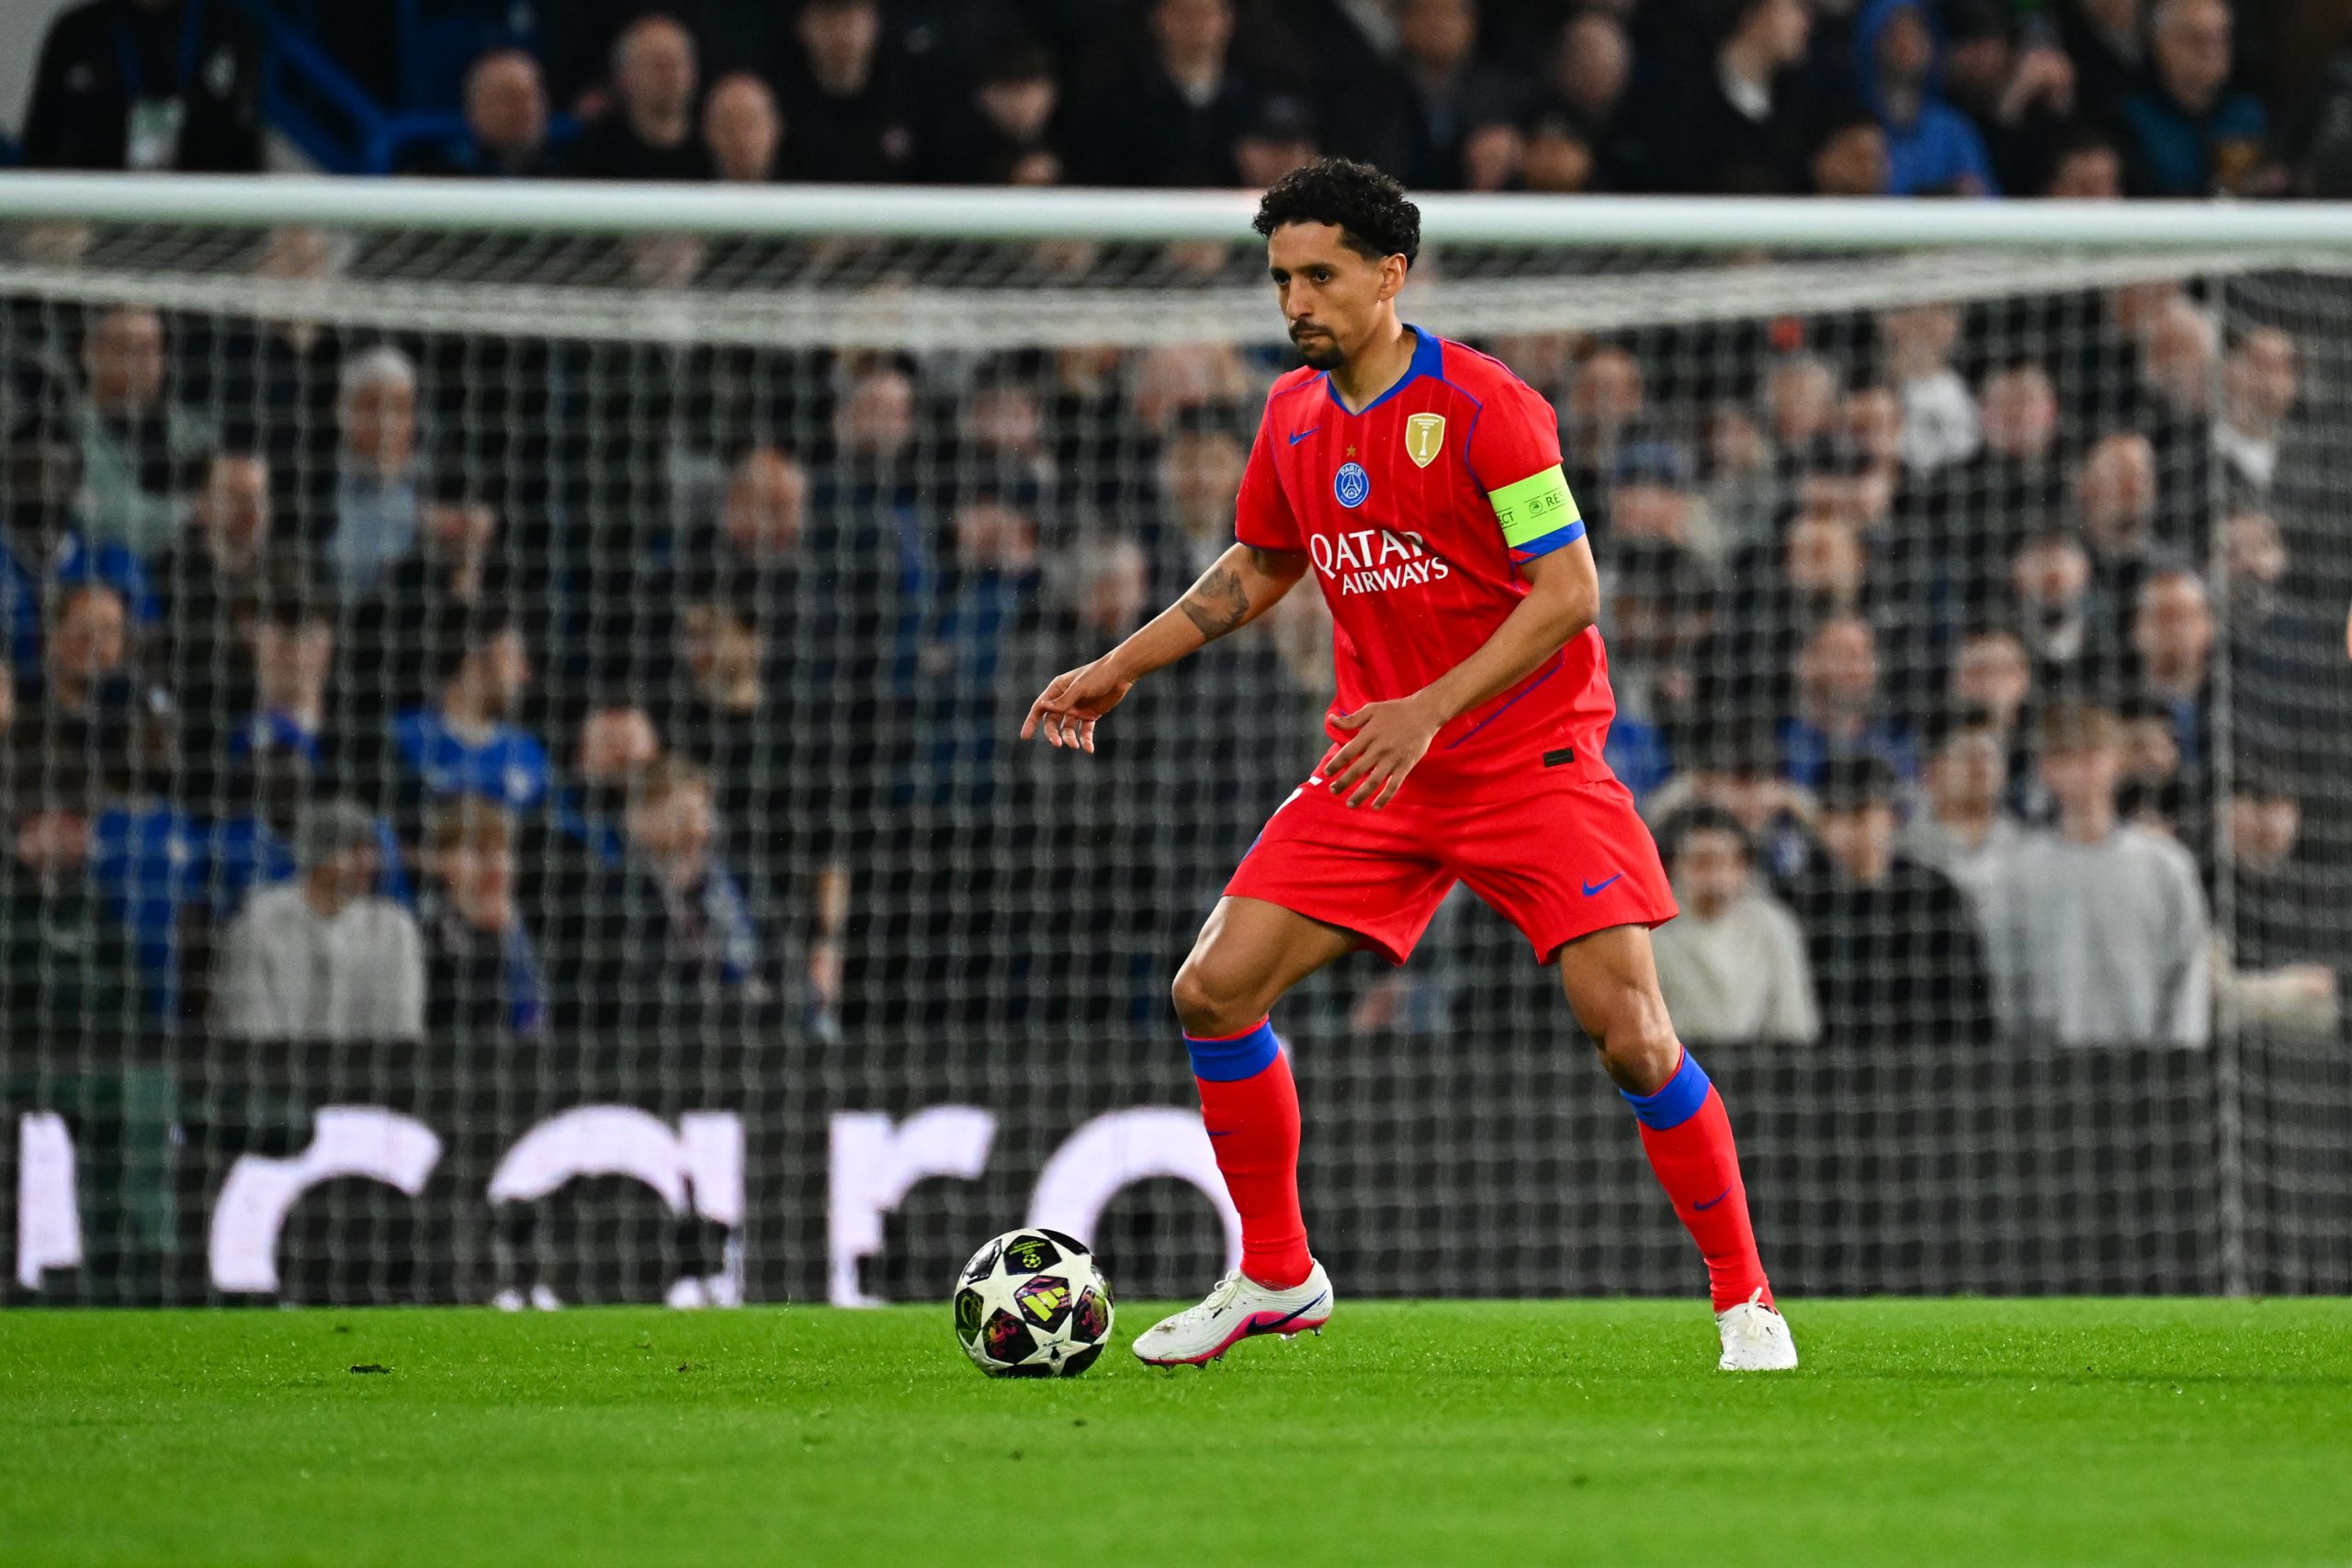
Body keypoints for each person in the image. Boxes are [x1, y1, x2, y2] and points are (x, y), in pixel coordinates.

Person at [1022, 159, 1796, 1371]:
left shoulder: (1487, 404)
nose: (1296, 302)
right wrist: (1122, 662)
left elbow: (1569, 591)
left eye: (1320, 276)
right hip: (1380, 768)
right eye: (1282, 279)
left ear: (1391, 275)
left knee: (1632, 1034)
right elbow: (1261, 563)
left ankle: (1745, 1299)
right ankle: (1277, 1273)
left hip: (1530, 760)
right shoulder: (1290, 414)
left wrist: (1429, 709)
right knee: (1212, 989)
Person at [1979, 701, 2211, 1046]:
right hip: (2048, 1062)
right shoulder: (2015, 874)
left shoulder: (2166, 865)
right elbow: (2007, 983)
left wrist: (2181, 1055)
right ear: (2045, 769)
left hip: (2151, 1061)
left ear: (2118, 760)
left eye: (2092, 755)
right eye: (2065, 758)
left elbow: (2188, 972)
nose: (2080, 772)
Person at [1788, 755, 1996, 1046]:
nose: (1849, 830)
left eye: (1862, 814)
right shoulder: (1799, 899)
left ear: (1892, 817)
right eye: (1835, 816)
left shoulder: (1934, 894)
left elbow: (1971, 1001)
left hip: (1926, 1058)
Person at [211, 798, 424, 1043]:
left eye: (370, 849)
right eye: (352, 849)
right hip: (278, 1063)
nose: (367, 862)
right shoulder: (259, 920)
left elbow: (402, 1028)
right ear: (318, 852)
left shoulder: (393, 927)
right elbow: (248, 1025)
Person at [21, 0, 263, 173]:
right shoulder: (77, 33)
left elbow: (246, 155)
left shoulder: (231, 30)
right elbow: (40, 147)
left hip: (205, 217)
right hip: (94, 215)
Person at [1649, 806, 1819, 1045]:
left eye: (1728, 862)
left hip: (1761, 1063)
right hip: (1679, 1064)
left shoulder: (1774, 926)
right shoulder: (1653, 933)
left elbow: (1793, 1024)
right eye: (1702, 862)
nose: (1716, 877)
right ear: (1674, 866)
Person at [75, 304, 215, 559]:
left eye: (153, 348)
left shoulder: (193, 433)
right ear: (91, 353)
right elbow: (106, 520)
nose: (147, 362)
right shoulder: (70, 432)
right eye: (131, 349)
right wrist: (188, 512)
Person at [418, 798, 544, 1042]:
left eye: (503, 850)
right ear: (440, 860)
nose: (497, 865)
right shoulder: (429, 928)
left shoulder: (519, 924)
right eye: (479, 850)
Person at [2120, 0, 2269, 197]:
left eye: (2220, 38)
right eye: (2195, 38)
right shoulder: (2129, 120)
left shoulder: (2250, 114)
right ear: (2159, 43)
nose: (2211, 51)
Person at [566, 13, 715, 182]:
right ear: (624, 77)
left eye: (678, 63)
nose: (671, 74)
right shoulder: (594, 152)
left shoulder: (713, 146)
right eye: (658, 65)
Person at [405, 48, 560, 177]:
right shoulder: (440, 178)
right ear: (476, 108)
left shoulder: (566, 172)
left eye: (534, 97)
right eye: (511, 98)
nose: (529, 109)